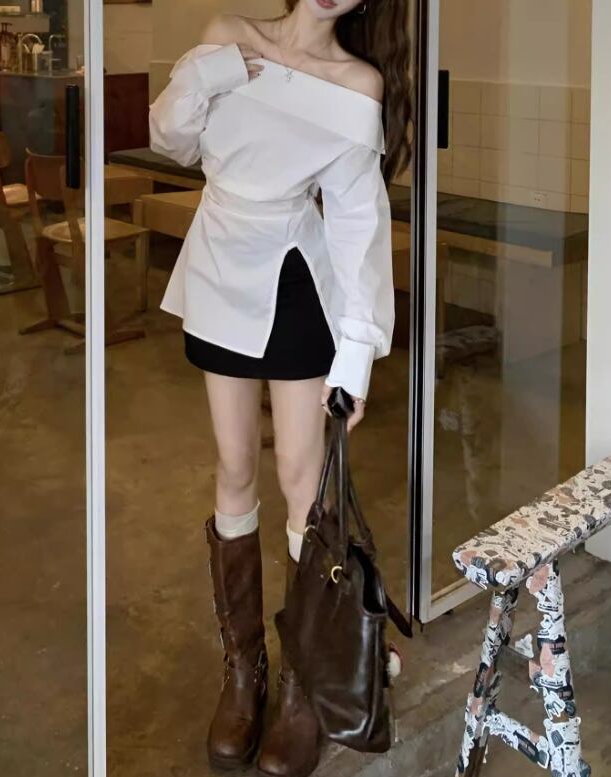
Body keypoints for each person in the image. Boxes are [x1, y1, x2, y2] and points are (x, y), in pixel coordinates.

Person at [149, 1, 411, 774]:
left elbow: (357, 220)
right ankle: (244, 673)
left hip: (296, 282)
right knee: (233, 466)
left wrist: (354, 355)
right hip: (217, 268)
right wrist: (213, 73)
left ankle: (302, 686)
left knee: (303, 481)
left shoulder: (356, 82)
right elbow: (172, 140)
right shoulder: (227, 37)